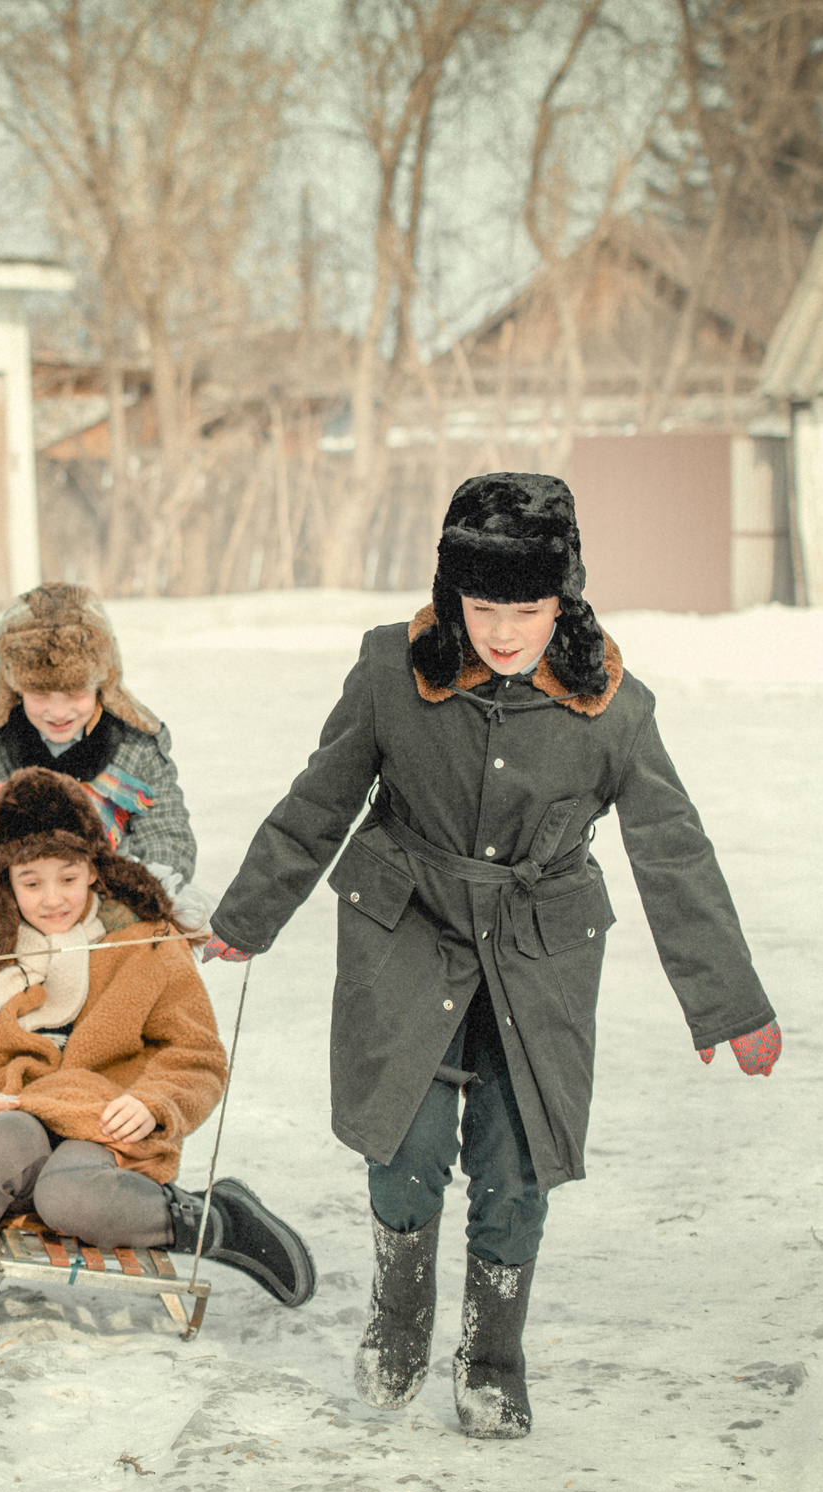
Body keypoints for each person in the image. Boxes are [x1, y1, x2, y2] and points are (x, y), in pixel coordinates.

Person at [201, 472, 780, 1439]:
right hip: (408, 930)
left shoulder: (615, 708)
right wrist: (247, 914)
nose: (504, 633)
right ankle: (398, 1320)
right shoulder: (391, 672)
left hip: (537, 949)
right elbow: (319, 800)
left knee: (517, 1167)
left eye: (527, 610)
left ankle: (493, 1356)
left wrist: (731, 1004)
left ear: (565, 601)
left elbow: (674, 852)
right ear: (451, 595)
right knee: (406, 1150)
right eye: (482, 609)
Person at [0, 766, 315, 1311]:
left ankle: (219, 1221)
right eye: (31, 883)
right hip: (15, 1125)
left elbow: (195, 1054)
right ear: (5, 881)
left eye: (68, 878)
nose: (52, 898)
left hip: (102, 1128)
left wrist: (154, 1102)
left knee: (68, 1197)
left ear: (94, 868)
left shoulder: (145, 944)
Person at [0, 584, 201, 930]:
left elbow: (167, 837)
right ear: (15, 687)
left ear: (102, 684)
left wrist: (115, 912)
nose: (58, 712)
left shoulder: (137, 746)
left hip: (109, 918)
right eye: (40, 693)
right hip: (12, 918)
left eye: (75, 692)